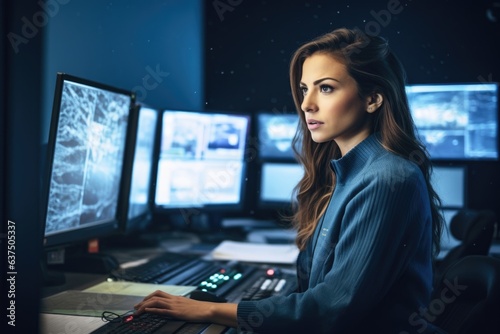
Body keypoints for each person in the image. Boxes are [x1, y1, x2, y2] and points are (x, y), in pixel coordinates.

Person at [134, 27, 446, 333]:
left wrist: (212, 309)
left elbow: (331, 308)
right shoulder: (352, 173)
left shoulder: (388, 180)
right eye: (303, 89)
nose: (307, 104)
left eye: (325, 88)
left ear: (373, 99)